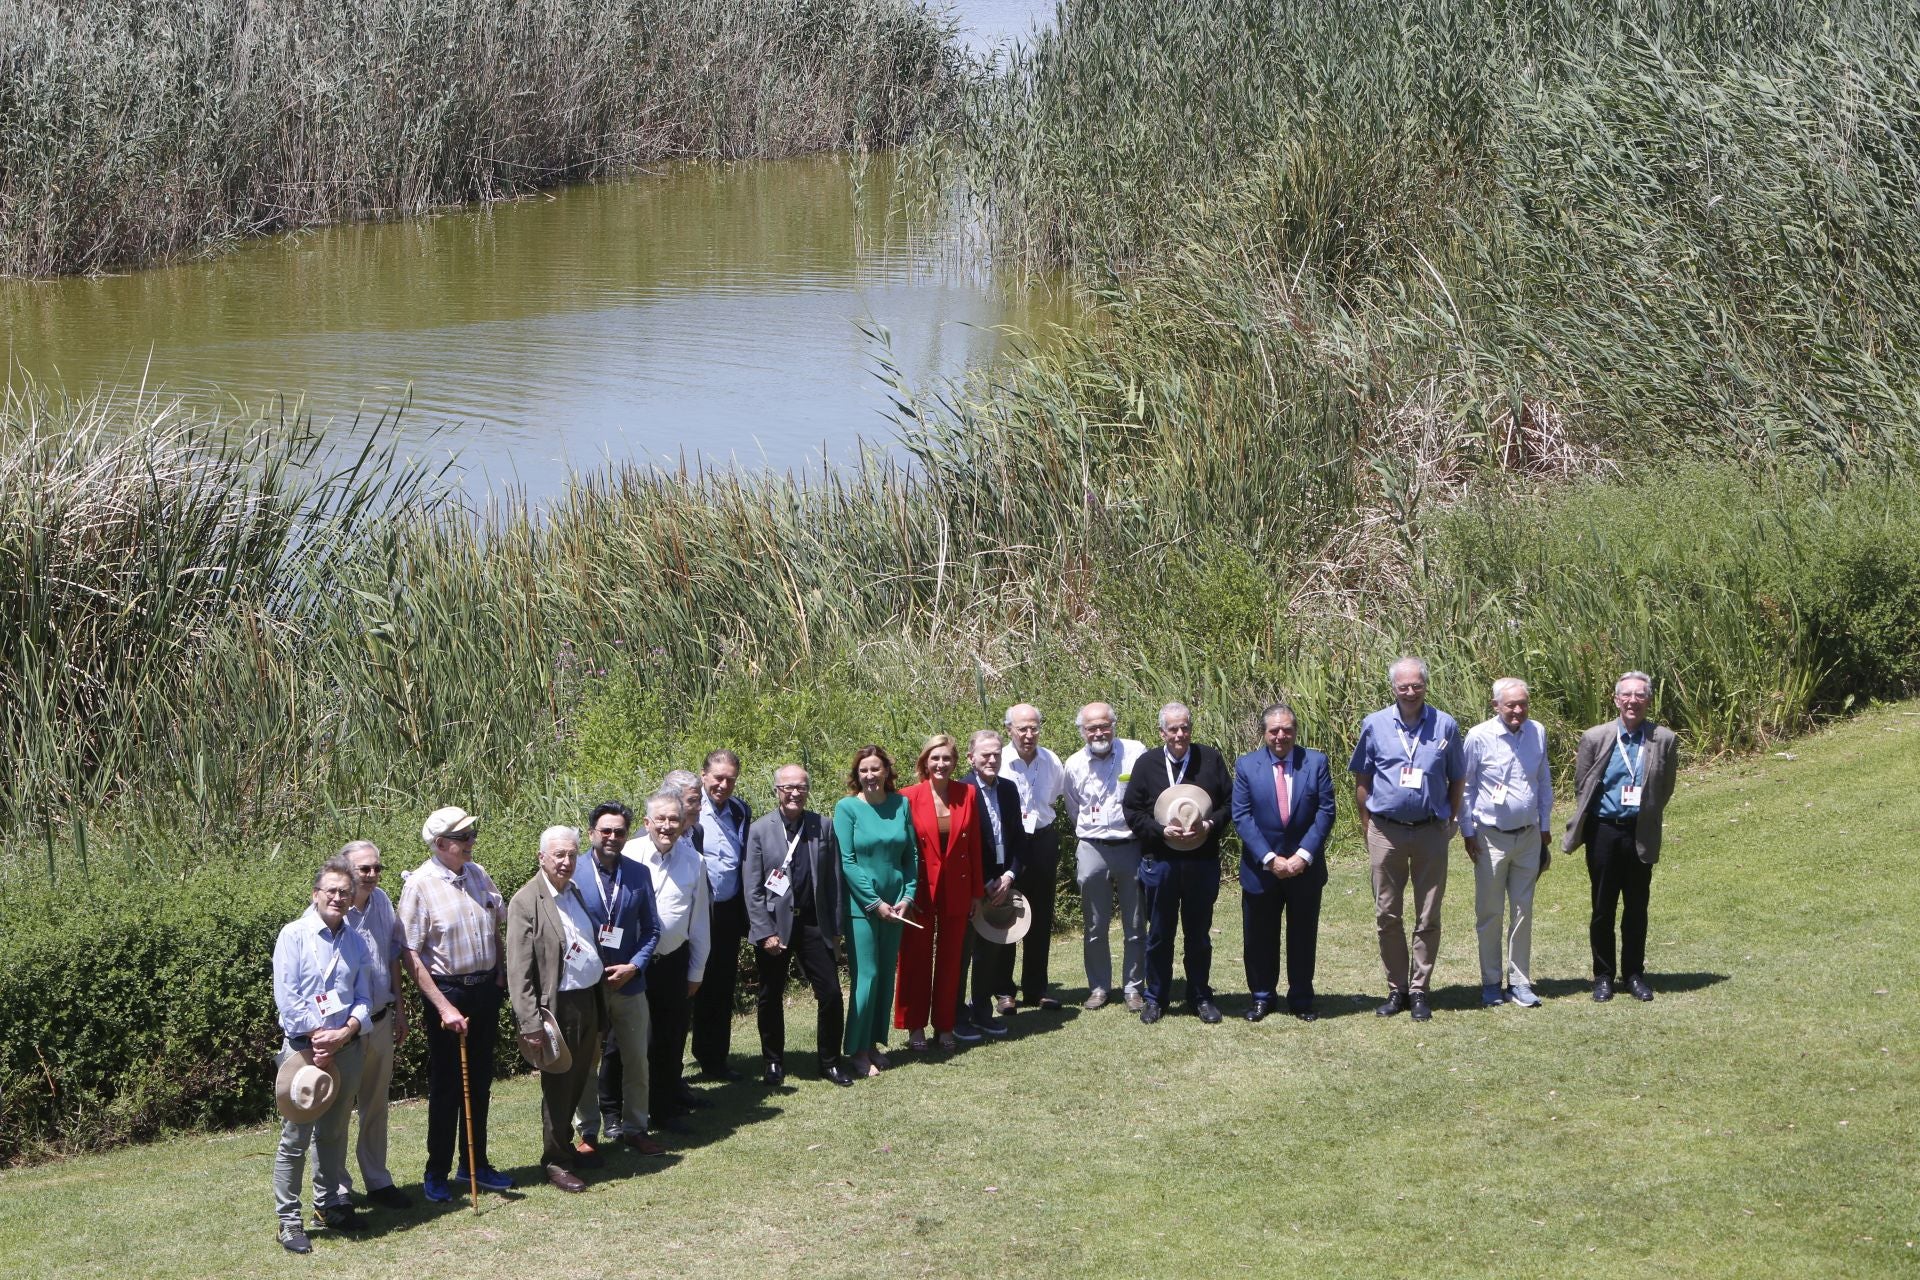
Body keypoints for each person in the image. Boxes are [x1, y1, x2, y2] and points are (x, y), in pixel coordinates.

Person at [397, 806, 514, 1200]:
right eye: (464, 838)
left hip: (485, 989)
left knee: (479, 1083)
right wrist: (444, 1007)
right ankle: (436, 1172)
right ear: (441, 844)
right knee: (448, 1086)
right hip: (448, 993)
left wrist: (500, 972)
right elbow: (409, 953)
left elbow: (495, 922)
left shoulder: (478, 874)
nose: (471, 842)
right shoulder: (420, 885)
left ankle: (474, 1164)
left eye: (471, 834)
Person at [1350, 658, 1466, 1023]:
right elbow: (1362, 781)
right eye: (1404, 687)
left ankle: (1419, 989)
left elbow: (1457, 778)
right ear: (1393, 688)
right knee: (1387, 913)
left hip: (1431, 830)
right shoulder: (1375, 724)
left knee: (1428, 914)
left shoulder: (1445, 724)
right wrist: (1368, 826)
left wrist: (1451, 817)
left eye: (1417, 685)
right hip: (1387, 831)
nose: (1411, 692)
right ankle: (1396, 988)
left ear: (1425, 686)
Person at [271, 857, 373, 1253]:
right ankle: (288, 1221)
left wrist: (346, 1031)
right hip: (303, 1052)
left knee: (333, 1132)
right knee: (295, 1138)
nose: (338, 897)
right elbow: (288, 998)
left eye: (345, 892)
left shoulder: (355, 940)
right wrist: (319, 1035)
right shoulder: (293, 935)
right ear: (315, 895)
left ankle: (330, 1205)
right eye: (330, 890)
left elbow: (363, 997)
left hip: (345, 1049)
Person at [1563, 671, 1678, 1003]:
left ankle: (1634, 974)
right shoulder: (1595, 737)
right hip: (1604, 831)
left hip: (1640, 832)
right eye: (1626, 695)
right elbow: (1582, 786)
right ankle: (1602, 976)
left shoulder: (1664, 739)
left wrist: (1645, 813)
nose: (1633, 701)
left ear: (1648, 700)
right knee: (1603, 907)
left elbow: (1664, 788)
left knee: (1637, 907)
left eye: (1640, 696)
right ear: (1616, 700)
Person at [505, 826, 607, 1193]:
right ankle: (556, 1161)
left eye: (571, 855)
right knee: (560, 1085)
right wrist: (529, 1022)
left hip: (587, 1000)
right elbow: (519, 970)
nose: (566, 861)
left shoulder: (573, 892)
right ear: (542, 858)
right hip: (556, 1009)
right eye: (559, 855)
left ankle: (566, 1149)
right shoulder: (525, 901)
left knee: (579, 1081)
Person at [743, 765, 853, 1087]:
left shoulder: (823, 826)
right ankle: (773, 1062)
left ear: (807, 790)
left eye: (801, 787)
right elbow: (753, 888)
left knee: (831, 993)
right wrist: (764, 932)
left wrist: (835, 927)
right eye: (788, 787)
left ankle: (830, 1062)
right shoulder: (760, 829)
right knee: (770, 995)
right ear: (776, 790)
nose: (795, 793)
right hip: (775, 927)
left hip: (814, 925)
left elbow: (833, 880)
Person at [1121, 702, 1231, 1024]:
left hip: (1201, 862)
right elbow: (1132, 811)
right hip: (1161, 862)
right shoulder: (1146, 764)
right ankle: (1155, 997)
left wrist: (1210, 826)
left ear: (1190, 729)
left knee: (1198, 934)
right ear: (1162, 732)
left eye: (1184, 727)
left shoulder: (1209, 759)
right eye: (1173, 729)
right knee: (1159, 934)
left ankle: (1200, 995)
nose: (1179, 734)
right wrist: (1159, 830)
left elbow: (1230, 803)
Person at [1232, 702, 1336, 1022]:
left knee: (1303, 936)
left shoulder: (1315, 762)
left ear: (1295, 731)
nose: (1281, 736)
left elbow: (1325, 811)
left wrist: (1303, 856)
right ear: (1264, 733)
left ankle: (1301, 998)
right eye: (1274, 730)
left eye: (1287, 730)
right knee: (1260, 936)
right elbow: (1242, 816)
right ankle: (1262, 997)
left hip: (1304, 869)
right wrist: (1270, 858)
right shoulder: (1247, 766)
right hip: (1261, 870)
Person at [571, 802, 664, 1156]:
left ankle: (636, 1128)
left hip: (629, 983)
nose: (612, 837)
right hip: (587, 987)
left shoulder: (638, 874)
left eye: (619, 832)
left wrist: (635, 966)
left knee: (637, 1060)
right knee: (586, 1062)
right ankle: (588, 1132)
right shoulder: (572, 870)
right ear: (592, 832)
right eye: (605, 830)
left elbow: (652, 928)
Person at [1461, 678, 1554, 1008]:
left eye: (1523, 704)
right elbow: (1465, 787)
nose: (1518, 710)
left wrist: (1545, 826)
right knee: (1490, 912)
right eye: (1511, 705)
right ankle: (1490, 982)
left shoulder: (1537, 732)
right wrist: (1467, 832)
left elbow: (1543, 781)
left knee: (1522, 911)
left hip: (1528, 836)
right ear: (1496, 705)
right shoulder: (1479, 737)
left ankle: (1520, 982)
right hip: (1490, 837)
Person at [330, 840, 410, 1211]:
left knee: (375, 1106)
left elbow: (392, 955)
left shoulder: (382, 902)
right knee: (337, 1111)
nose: (373, 874)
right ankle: (338, 1190)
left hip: (380, 1020)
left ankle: (378, 1180)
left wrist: (400, 1006)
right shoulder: (331, 911)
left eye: (377, 867)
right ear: (347, 871)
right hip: (345, 1030)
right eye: (365, 869)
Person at [898, 734, 985, 1051]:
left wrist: (977, 893)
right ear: (925, 762)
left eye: (947, 758)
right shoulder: (907, 796)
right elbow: (902, 850)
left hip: (958, 890)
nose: (941, 764)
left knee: (952, 962)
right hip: (919, 891)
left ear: (955, 762)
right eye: (935, 758)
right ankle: (915, 1027)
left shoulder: (968, 793)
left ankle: (945, 1027)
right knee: (915, 960)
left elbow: (974, 845)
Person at [835, 745, 918, 1078]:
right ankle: (856, 1049)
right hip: (863, 907)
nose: (869, 775)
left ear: (887, 771)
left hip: (896, 906)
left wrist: (907, 895)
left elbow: (910, 856)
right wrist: (873, 902)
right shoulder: (847, 808)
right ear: (857, 775)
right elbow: (847, 861)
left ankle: (872, 1044)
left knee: (885, 976)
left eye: (875, 769)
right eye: (863, 770)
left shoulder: (902, 805)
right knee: (866, 978)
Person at [1063, 702, 1148, 1012]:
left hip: (1130, 844)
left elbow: (1147, 795)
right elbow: (1074, 807)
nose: (1098, 732)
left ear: (1114, 724)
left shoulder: (1136, 752)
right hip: (1092, 847)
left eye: (1104, 725)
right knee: (1095, 924)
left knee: (1136, 921)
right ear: (1082, 731)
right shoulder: (1073, 764)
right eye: (1091, 728)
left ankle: (1133, 988)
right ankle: (1099, 987)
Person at [632, 790, 712, 1121]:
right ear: (647, 822)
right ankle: (619, 1112)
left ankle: (663, 1108)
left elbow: (700, 922)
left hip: (673, 962)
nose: (667, 826)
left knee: (670, 1037)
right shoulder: (628, 854)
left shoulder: (694, 861)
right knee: (629, 1042)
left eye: (674, 819)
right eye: (661, 819)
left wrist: (696, 971)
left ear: (684, 823)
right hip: (634, 964)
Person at [957, 729, 1023, 1036]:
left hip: (1002, 884)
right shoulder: (961, 791)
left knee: (990, 952)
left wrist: (1009, 876)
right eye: (985, 754)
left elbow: (1019, 840)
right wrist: (982, 882)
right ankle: (957, 1017)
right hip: (971, 885)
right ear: (971, 758)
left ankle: (982, 1011)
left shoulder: (1009, 790)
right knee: (961, 956)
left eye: (997, 753)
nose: (992, 759)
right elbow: (959, 846)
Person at [692, 749, 753, 1081]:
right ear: (704, 776)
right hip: (695, 911)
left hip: (727, 911)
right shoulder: (688, 807)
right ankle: (671, 1068)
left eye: (730, 779)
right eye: (718, 778)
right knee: (689, 986)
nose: (723, 784)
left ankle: (715, 1058)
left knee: (721, 986)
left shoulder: (740, 810)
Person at [1000, 703, 1066, 1010]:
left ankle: (1037, 987)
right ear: (1009, 730)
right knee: (1008, 914)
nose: (1028, 735)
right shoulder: (999, 761)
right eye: (1022, 728)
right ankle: (1004, 991)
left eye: (1033, 728)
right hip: (1011, 844)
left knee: (1040, 915)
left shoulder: (1050, 759)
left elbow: (1052, 797)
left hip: (1042, 838)